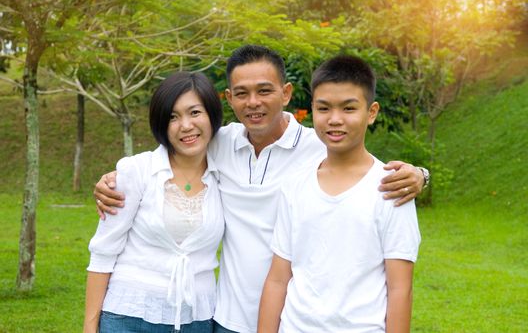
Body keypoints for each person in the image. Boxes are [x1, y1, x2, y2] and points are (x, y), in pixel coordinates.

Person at [94, 45, 427, 333]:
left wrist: (420, 175)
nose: (253, 102)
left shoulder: (319, 145)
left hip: (289, 319)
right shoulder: (218, 142)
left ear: (286, 93)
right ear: (229, 99)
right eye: (241, 93)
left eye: (265, 91)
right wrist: (116, 177)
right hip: (224, 317)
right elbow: (173, 153)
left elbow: (365, 169)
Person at [258, 55, 421, 332]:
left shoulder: (391, 189)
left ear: (371, 112)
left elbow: (400, 290)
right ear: (312, 110)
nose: (335, 120)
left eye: (348, 108)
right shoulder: (295, 185)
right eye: (324, 108)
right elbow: (277, 279)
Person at [84, 72, 225, 333]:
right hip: (129, 317)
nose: (185, 125)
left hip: (197, 319)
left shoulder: (226, 173)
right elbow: (103, 253)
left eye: (195, 112)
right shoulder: (137, 171)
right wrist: (90, 328)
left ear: (212, 115)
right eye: (173, 116)